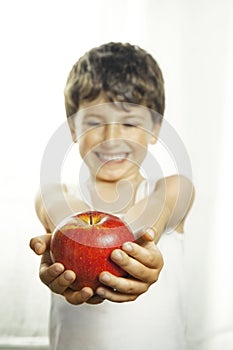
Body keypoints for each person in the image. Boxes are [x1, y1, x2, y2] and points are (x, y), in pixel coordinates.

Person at [30, 42, 194, 350]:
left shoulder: (172, 188)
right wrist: (69, 251)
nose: (110, 138)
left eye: (130, 122)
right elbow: (64, 216)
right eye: (94, 122)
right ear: (73, 128)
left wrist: (140, 247)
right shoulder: (56, 193)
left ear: (155, 128)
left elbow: (155, 213)